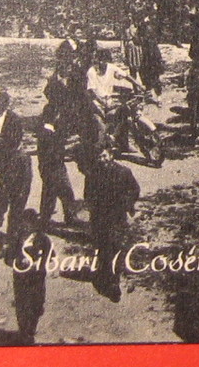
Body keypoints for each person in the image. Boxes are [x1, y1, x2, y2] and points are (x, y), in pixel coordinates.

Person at [84, 145, 139, 303]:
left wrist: (127, 205)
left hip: (117, 217)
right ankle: (108, 277)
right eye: (99, 157)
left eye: (104, 156)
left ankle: (113, 281)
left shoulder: (123, 172)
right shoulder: (92, 174)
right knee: (103, 248)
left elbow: (134, 190)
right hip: (100, 218)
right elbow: (88, 195)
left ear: (111, 156)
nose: (102, 160)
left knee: (115, 247)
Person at [10, 208, 50, 345]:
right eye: (24, 223)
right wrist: (18, 260)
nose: (26, 226)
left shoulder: (43, 239)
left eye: (29, 223)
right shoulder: (17, 238)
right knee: (22, 305)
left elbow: (49, 256)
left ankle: (31, 329)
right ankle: (24, 333)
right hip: (21, 277)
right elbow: (8, 257)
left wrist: (38, 264)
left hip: (37, 278)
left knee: (36, 305)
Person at [35, 116, 78, 226]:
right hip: (54, 167)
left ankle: (45, 218)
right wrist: (68, 151)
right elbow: (54, 152)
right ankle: (70, 217)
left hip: (49, 167)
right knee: (65, 191)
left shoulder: (47, 131)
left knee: (50, 192)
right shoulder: (48, 133)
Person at [0, 138, 34, 257]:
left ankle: (14, 240)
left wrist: (23, 192)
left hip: (19, 192)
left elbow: (27, 178)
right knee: (13, 215)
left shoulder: (23, 157)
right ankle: (12, 237)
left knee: (15, 215)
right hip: (11, 190)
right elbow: (3, 173)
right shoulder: (8, 155)